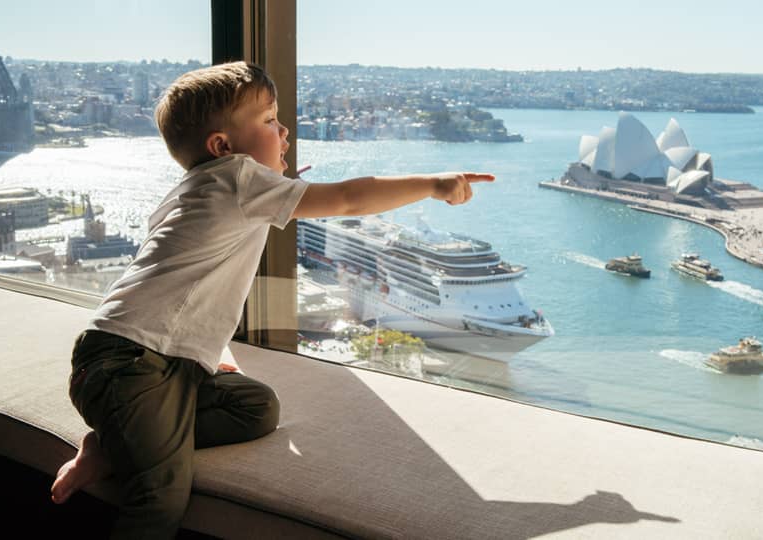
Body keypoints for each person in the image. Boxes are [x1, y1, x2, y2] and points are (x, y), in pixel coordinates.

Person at [49, 61, 493, 539]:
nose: (284, 131)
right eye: (269, 120)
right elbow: (347, 199)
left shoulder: (194, 189)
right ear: (223, 147)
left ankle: (117, 446)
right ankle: (128, 448)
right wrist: (433, 184)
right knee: (159, 496)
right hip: (131, 364)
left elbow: (182, 286)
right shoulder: (238, 177)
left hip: (141, 356)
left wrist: (201, 355)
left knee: (256, 408)